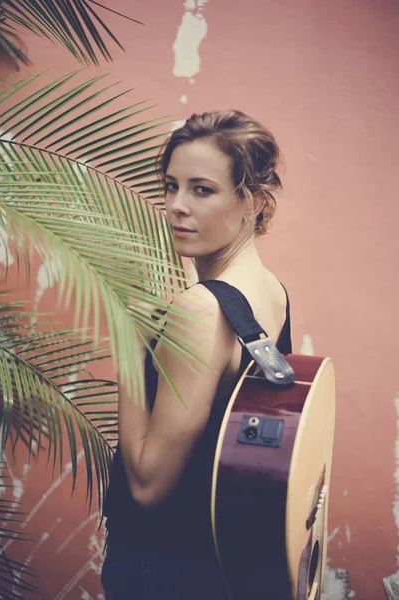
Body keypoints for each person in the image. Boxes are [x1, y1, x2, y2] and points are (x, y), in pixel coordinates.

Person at [101, 109, 292, 599]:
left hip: (160, 570)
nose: (176, 206)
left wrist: (128, 337)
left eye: (202, 189)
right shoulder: (270, 292)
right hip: (221, 569)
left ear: (253, 201)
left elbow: (148, 486)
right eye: (170, 186)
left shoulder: (202, 309)